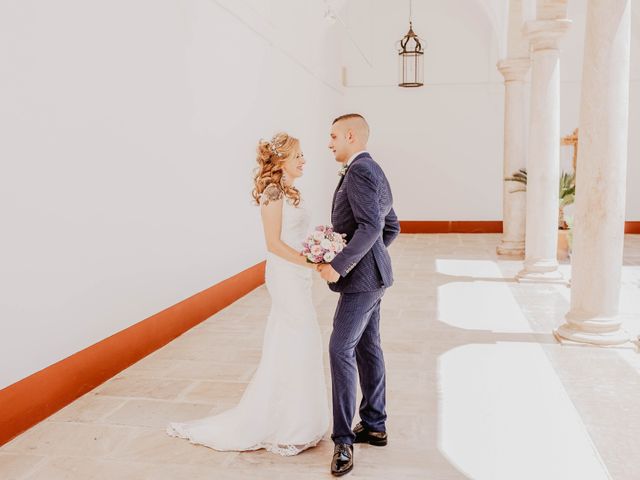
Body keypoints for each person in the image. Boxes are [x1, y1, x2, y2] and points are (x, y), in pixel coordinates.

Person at [166, 132, 330, 456]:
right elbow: (273, 244)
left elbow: (295, 235)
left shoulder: (292, 191)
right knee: (302, 336)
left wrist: (316, 249)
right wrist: (311, 262)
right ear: (281, 160)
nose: (303, 160)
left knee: (295, 340)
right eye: (298, 155)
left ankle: (299, 419)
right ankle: (288, 423)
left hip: (298, 275)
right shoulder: (272, 192)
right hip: (286, 275)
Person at [318, 114, 400, 476]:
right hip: (374, 278)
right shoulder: (372, 169)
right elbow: (390, 226)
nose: (330, 142)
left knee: (340, 350)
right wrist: (375, 257)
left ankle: (343, 443)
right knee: (368, 348)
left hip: (363, 281)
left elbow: (371, 226)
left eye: (334, 135)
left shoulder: (360, 172)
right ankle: (374, 424)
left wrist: (340, 264)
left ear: (351, 135)